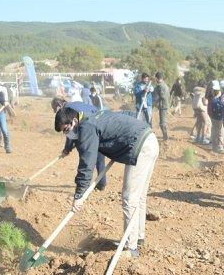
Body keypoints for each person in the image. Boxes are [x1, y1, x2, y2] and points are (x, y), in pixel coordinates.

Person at [54, 107, 158, 258]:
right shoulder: (91, 117)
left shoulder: (87, 128)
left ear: (74, 121)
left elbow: (87, 164)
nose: (67, 134)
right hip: (149, 139)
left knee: (129, 198)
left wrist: (78, 195)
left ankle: (131, 247)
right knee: (139, 196)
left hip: (140, 147)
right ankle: (138, 238)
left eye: (66, 129)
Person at [51, 97, 106, 190]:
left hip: (89, 129)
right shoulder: (75, 103)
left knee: (85, 158)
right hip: (100, 126)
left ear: (59, 105)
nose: (54, 112)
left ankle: (84, 185)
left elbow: (70, 133)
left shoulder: (67, 111)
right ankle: (101, 183)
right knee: (100, 157)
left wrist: (66, 150)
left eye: (54, 109)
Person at [152, 72, 170, 141]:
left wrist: (154, 103)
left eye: (155, 78)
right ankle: (165, 137)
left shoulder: (160, 86)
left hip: (163, 106)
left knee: (162, 123)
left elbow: (161, 97)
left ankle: (166, 138)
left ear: (157, 78)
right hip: (164, 105)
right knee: (162, 122)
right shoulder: (165, 85)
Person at [209, 81, 224, 153]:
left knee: (215, 131)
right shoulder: (217, 101)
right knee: (220, 132)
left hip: (213, 117)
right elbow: (222, 110)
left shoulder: (213, 100)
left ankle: (214, 147)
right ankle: (219, 147)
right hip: (219, 118)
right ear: (218, 92)